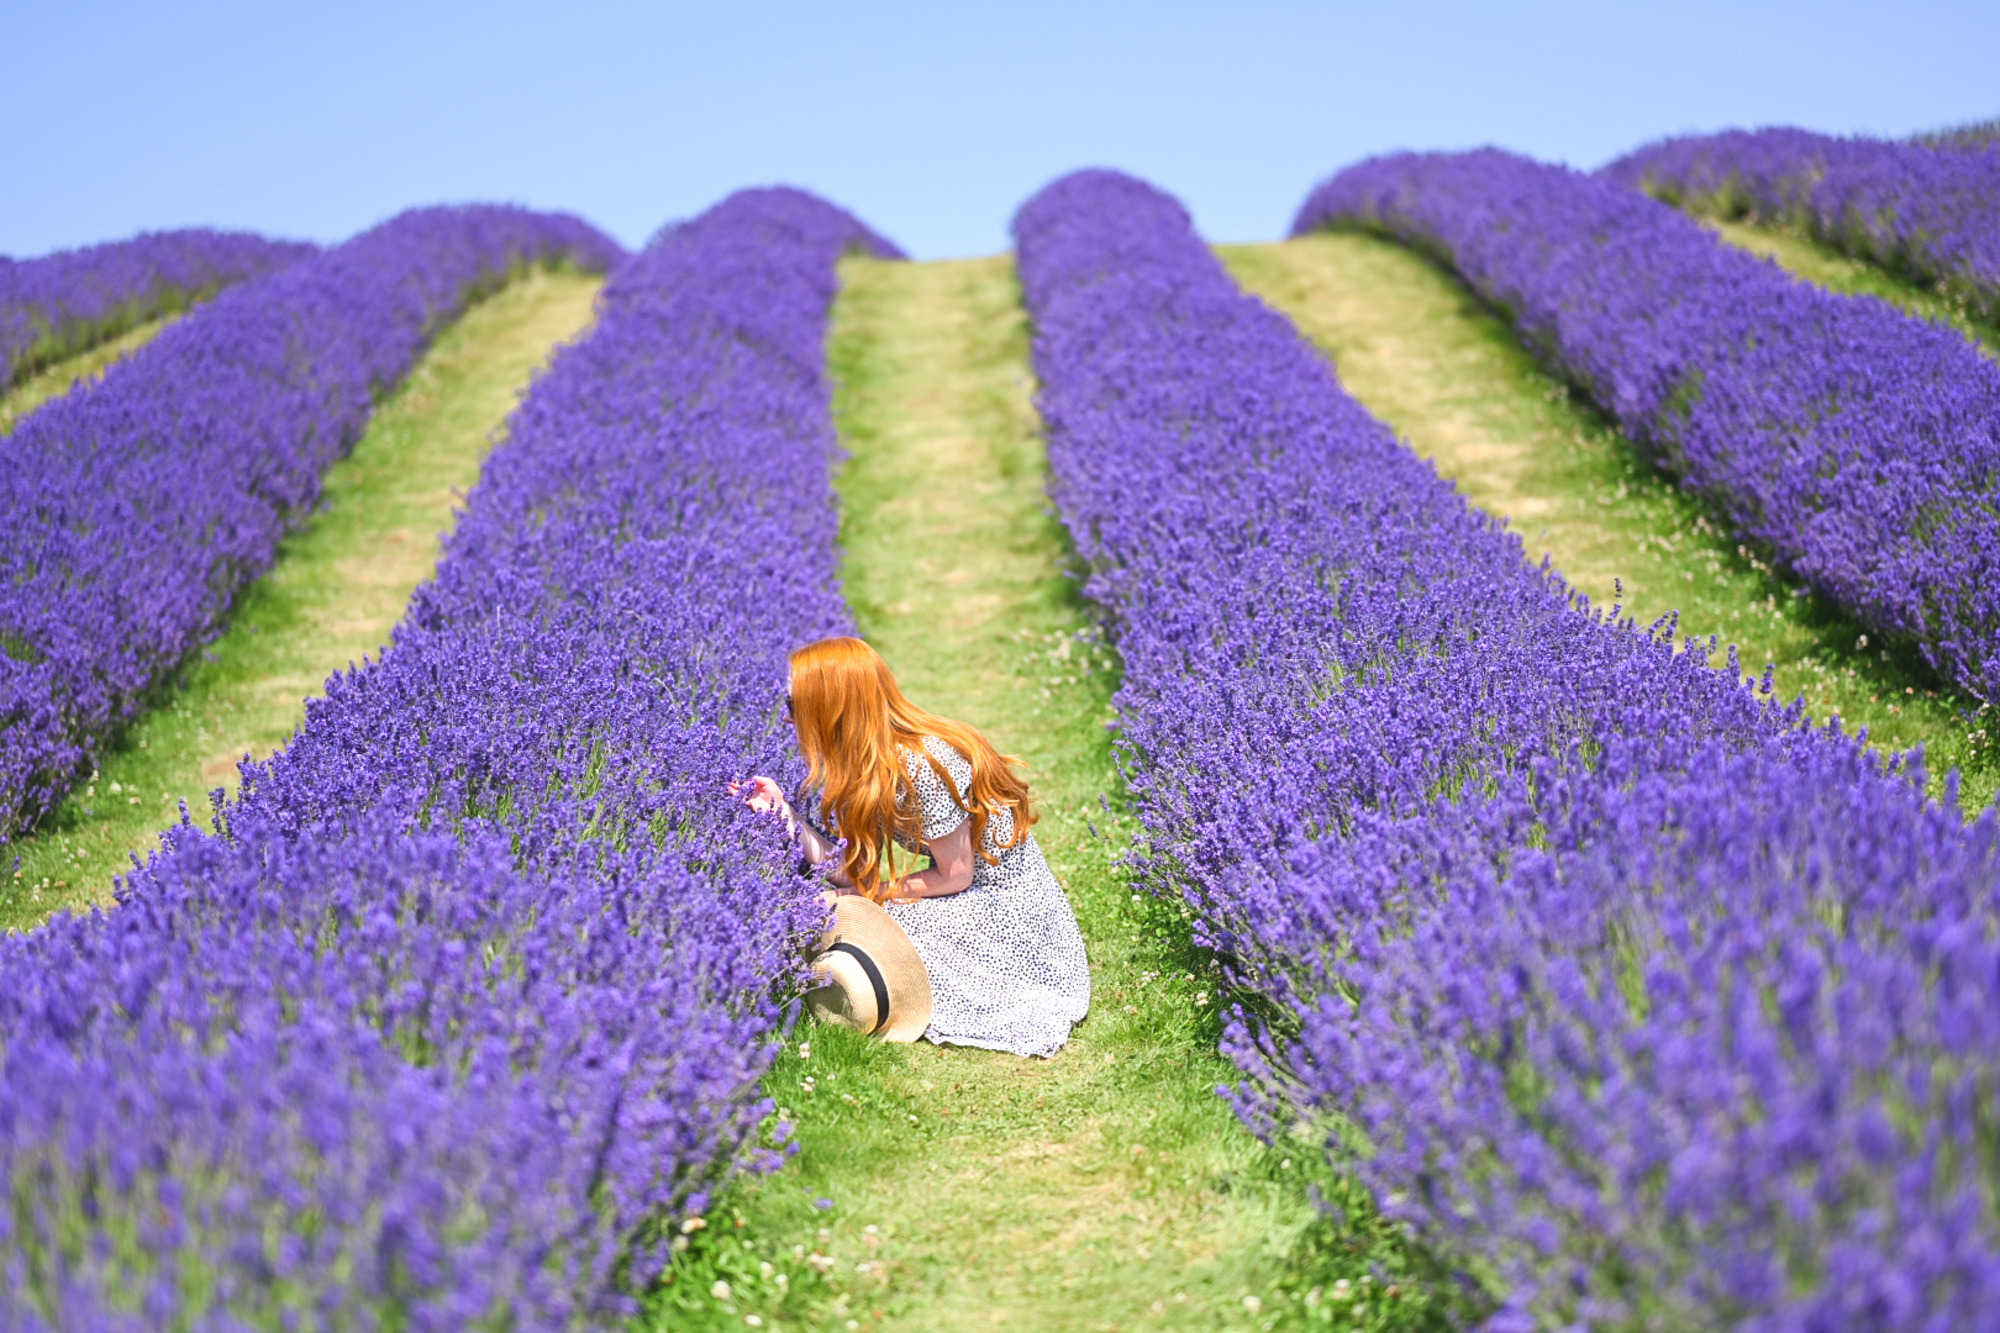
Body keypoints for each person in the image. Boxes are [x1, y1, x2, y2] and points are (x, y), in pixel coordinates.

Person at [737, 636, 1089, 1058]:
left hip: (1004, 902)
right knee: (858, 918)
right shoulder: (863, 765)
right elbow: (853, 870)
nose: (786, 720)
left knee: (886, 931)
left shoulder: (920, 766)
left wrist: (869, 898)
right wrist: (784, 815)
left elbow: (956, 874)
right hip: (964, 887)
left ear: (828, 709)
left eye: (793, 706)